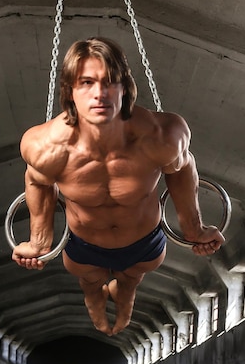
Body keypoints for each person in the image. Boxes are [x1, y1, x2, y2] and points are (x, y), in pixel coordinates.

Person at [12, 36, 225, 336]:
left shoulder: (162, 135)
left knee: (130, 282)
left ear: (125, 87)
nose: (99, 94)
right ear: (69, 90)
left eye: (109, 82)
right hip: (83, 245)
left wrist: (194, 229)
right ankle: (94, 297)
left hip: (143, 242)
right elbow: (37, 180)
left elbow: (182, 168)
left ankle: (124, 297)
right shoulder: (45, 145)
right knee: (89, 282)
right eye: (86, 82)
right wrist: (39, 242)